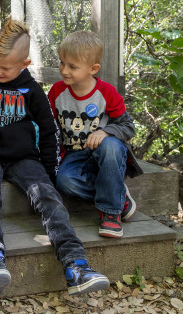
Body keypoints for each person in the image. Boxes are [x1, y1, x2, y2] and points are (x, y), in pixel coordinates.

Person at [0, 18, 110, 296]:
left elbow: (49, 132)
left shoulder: (32, 90)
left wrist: (49, 175)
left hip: (24, 159)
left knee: (49, 199)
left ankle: (75, 265)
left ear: (24, 64)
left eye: (5, 68)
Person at [48, 30, 142, 239]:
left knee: (109, 145)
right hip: (75, 157)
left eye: (72, 66)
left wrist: (106, 131)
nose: (64, 70)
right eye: (62, 62)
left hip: (106, 154)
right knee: (65, 182)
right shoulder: (56, 92)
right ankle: (118, 194)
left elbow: (128, 126)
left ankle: (111, 213)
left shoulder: (106, 92)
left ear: (93, 69)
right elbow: (51, 127)